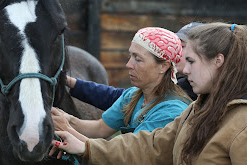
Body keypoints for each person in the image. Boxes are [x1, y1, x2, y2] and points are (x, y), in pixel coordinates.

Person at [50, 22, 247, 164]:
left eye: (192, 61)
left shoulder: (239, 125)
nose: (185, 71)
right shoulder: (197, 109)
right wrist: (79, 138)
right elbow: (149, 147)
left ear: (218, 61)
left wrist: (71, 131)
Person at [51, 27, 192, 145]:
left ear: (164, 66)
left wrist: (68, 130)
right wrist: (69, 120)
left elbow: (129, 154)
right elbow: (100, 128)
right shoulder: (133, 96)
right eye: (130, 56)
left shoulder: (171, 111)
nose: (129, 65)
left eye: (138, 59)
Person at [65, 22, 201, 112]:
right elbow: (124, 99)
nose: (175, 52)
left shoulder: (186, 98)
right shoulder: (179, 84)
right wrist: (72, 83)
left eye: (181, 46)